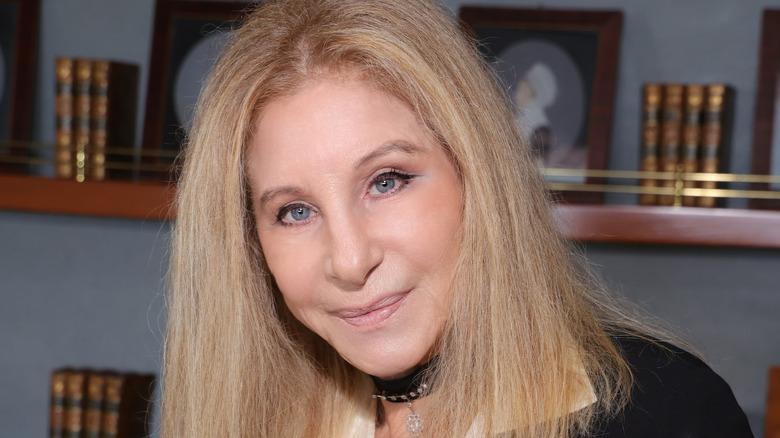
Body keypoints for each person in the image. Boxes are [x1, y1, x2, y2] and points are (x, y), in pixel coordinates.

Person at [162, 0, 754, 437]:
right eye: (293, 211)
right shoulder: (242, 419)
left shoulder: (667, 411)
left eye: (386, 181)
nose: (348, 259)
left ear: (478, 176)